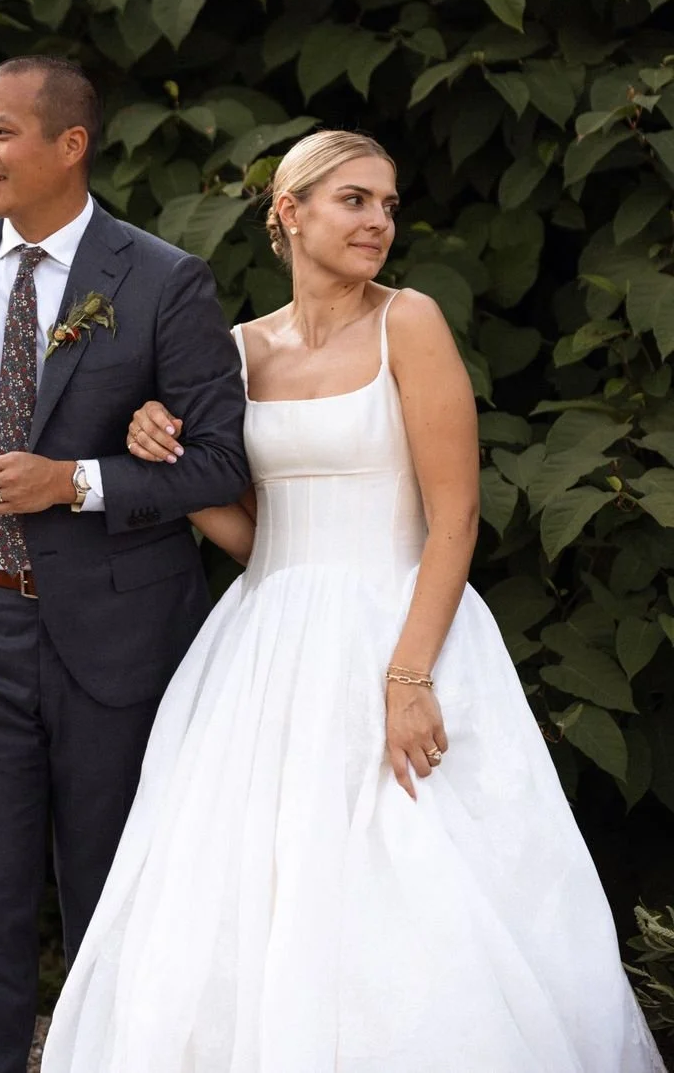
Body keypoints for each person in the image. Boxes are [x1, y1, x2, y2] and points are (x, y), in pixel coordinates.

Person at [40, 129, 664, 1073]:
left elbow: (455, 518)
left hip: (402, 622)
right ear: (288, 212)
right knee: (253, 891)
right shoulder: (238, 350)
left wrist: (409, 673)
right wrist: (162, 454)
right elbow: (258, 534)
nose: (379, 221)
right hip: (266, 645)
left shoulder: (407, 321)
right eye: (355, 200)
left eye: (388, 204)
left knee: (413, 884)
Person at [0, 56, 250, 1073]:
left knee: (115, 904)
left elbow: (219, 462)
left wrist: (74, 481)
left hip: (121, 634)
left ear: (69, 144)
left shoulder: (165, 277)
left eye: (0, 131)